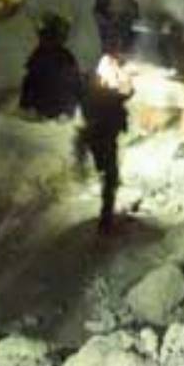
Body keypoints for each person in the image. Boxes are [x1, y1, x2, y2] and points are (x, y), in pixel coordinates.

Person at [80, 54, 134, 232]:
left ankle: (106, 209)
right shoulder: (110, 96)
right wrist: (121, 76)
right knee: (110, 174)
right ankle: (106, 216)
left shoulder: (89, 93)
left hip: (94, 136)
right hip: (105, 136)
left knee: (106, 170)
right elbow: (128, 92)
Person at [19, 12, 81, 120]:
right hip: (61, 108)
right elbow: (75, 83)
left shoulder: (39, 54)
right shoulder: (66, 56)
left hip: (44, 107)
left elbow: (29, 82)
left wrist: (26, 104)